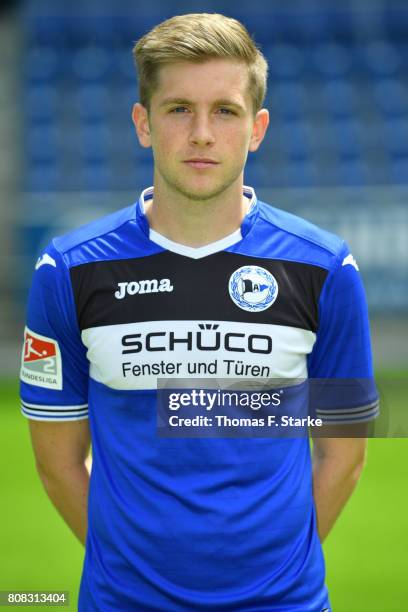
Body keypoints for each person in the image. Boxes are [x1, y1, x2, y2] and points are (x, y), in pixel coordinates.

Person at [20, 13, 379, 611]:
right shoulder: (68, 270)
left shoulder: (326, 269)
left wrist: (274, 573)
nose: (203, 134)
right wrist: (133, 573)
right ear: (144, 123)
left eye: (226, 111)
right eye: (179, 109)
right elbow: (58, 461)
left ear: (257, 128)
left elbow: (344, 452)